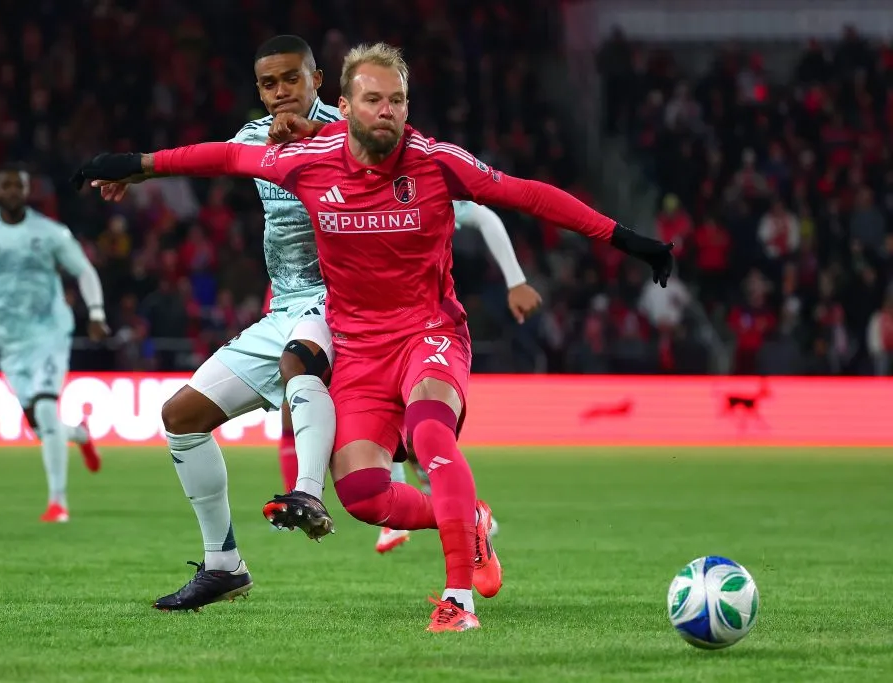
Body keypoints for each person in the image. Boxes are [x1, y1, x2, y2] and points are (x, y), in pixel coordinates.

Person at [72, 42, 672, 632]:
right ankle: (466, 519)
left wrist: (626, 239)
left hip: (428, 334)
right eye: (374, 99)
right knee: (362, 494)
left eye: (398, 101)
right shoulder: (306, 159)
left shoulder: (437, 161)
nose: (386, 111)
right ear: (348, 104)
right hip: (358, 348)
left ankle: (457, 600)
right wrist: (139, 163)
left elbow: (526, 195)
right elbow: (222, 159)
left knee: (428, 430)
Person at [86, 35, 345, 612]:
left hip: (343, 303)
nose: (280, 92)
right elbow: (206, 159)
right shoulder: (253, 137)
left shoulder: (351, 131)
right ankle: (224, 565)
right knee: (181, 416)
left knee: (364, 459)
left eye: (291, 79)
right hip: (286, 308)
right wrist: (139, 173)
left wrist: (315, 137)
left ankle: (308, 494)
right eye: (268, 83)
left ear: (317, 79)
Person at [0, 166, 107, 523]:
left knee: (47, 408)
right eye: (4, 185)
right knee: (40, 424)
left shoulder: (50, 232)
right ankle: (80, 435)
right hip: (9, 340)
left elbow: (82, 269)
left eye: (17, 185)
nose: (10, 191)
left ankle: (58, 503)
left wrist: (96, 312)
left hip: (49, 332)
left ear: (26, 190)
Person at [375, 200, 528, 554]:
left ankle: (461, 514)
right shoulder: (339, 182)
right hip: (368, 327)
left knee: (418, 432)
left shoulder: (421, 183)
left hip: (424, 332)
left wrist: (516, 280)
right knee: (395, 430)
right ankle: (453, 512)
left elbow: (484, 215)